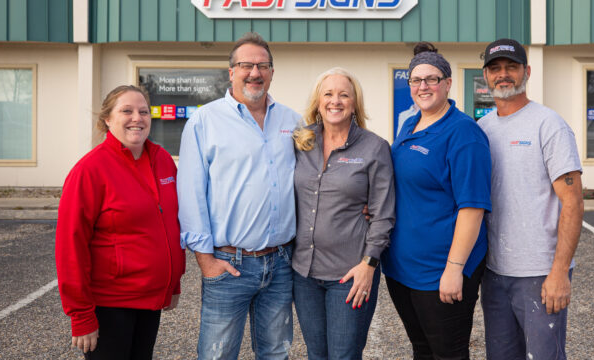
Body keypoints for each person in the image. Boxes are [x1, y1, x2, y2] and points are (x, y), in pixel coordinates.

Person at [177, 32, 300, 360]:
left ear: (272, 72)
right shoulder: (205, 121)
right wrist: (206, 261)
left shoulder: (293, 121)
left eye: (263, 65)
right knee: (217, 355)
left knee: (276, 352)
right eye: (246, 65)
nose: (255, 72)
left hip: (280, 262)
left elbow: (313, 178)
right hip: (228, 263)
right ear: (231, 71)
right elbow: (190, 194)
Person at [55, 85, 185, 360]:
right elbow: (70, 248)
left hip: (150, 302)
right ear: (107, 119)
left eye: (143, 112)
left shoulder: (162, 160)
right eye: (126, 111)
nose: (137, 118)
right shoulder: (89, 171)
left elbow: (172, 224)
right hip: (110, 304)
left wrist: (173, 284)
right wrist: (81, 316)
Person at [382, 42, 492, 360]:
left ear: (447, 83)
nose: (423, 86)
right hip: (403, 270)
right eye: (416, 80)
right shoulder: (410, 124)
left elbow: (472, 208)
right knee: (423, 350)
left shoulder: (463, 133)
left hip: (440, 271)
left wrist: (454, 269)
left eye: (431, 79)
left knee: (449, 354)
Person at [477, 38, 584, 360]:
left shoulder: (548, 124)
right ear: (485, 75)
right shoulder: (481, 128)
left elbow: (573, 202)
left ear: (527, 71)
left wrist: (560, 271)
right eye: (495, 68)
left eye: (511, 66)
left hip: (539, 273)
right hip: (494, 272)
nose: (503, 74)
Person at [291, 67, 395, 360]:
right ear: (318, 101)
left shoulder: (374, 148)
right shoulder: (302, 141)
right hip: (304, 272)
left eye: (344, 95)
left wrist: (369, 265)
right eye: (328, 94)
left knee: (344, 355)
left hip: (350, 274)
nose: (335, 101)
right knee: (316, 354)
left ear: (354, 103)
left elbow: (384, 213)